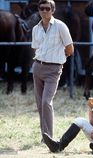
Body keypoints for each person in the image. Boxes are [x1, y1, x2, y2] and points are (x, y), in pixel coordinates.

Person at [31, 0, 74, 140]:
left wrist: (60, 57)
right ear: (38, 10)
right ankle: (44, 135)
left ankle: (49, 136)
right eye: (41, 8)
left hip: (53, 70)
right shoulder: (35, 29)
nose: (44, 11)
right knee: (39, 104)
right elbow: (36, 48)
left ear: (52, 10)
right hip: (37, 67)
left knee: (46, 102)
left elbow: (70, 48)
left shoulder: (60, 26)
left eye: (47, 9)